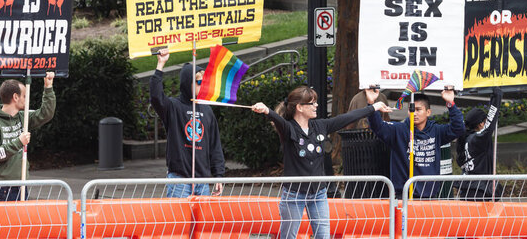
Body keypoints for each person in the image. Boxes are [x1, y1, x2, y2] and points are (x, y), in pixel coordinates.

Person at [251, 85, 394, 239]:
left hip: (318, 193)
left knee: (323, 235)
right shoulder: (289, 129)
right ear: (299, 107)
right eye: (312, 103)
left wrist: (373, 106)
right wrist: (267, 111)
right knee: (288, 236)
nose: (316, 106)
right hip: (294, 194)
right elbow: (278, 120)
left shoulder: (320, 126)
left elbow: (347, 117)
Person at [150, 49, 225, 197]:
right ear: (187, 83)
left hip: (202, 181)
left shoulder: (207, 110)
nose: (202, 85)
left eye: (204, 82)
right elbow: (156, 98)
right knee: (179, 221)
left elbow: (215, 145)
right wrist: (160, 64)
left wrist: (219, 175)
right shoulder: (174, 106)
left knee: (202, 221)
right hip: (179, 180)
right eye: (198, 82)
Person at [367, 87, 465, 198]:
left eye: (418, 110)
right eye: (411, 110)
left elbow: (458, 128)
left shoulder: (436, 131)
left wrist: (450, 102)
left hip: (429, 197)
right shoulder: (398, 130)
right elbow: (377, 126)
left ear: (428, 112)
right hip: (403, 197)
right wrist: (371, 103)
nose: (414, 113)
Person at [0, 72, 56, 201]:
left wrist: (48, 88)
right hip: (1, 188)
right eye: (25, 96)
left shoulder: (22, 117)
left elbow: (45, 114)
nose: (27, 100)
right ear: (15, 97)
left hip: (21, 184)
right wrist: (19, 142)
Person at [455, 87, 503, 200]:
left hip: (467, 188)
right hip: (479, 191)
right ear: (481, 124)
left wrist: (494, 97)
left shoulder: (465, 138)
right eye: (485, 121)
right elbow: (490, 126)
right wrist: (497, 98)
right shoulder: (478, 139)